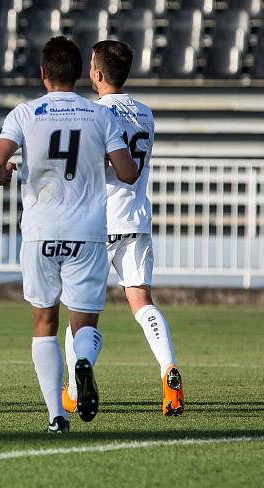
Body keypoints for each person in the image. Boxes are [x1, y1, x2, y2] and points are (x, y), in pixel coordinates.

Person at [0, 36, 138, 433]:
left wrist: (3, 174)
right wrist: (96, 159)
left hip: (40, 231)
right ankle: (83, 362)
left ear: (43, 74)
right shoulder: (100, 117)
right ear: (80, 75)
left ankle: (56, 415)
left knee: (44, 323)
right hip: (87, 232)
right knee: (84, 323)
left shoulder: (25, 113)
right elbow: (127, 173)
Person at [60, 40, 185, 416]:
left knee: (81, 315)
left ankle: (74, 388)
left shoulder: (92, 113)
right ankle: (168, 371)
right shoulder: (145, 113)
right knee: (142, 303)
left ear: (96, 74)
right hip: (136, 218)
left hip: (96, 224)